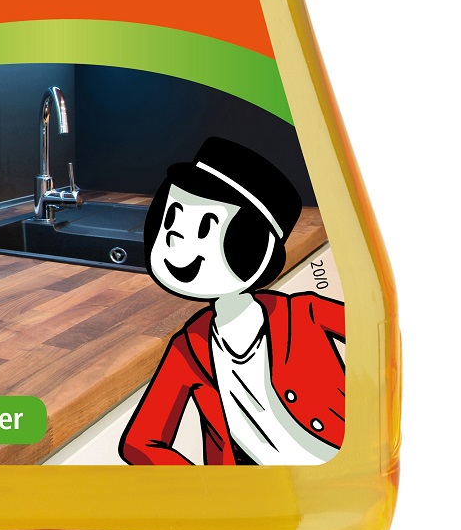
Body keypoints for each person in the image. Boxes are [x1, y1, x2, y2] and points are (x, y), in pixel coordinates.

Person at [120, 136, 345, 466]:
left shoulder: (305, 313)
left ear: (259, 249)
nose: (176, 240)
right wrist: (211, 488)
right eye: (172, 220)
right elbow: (140, 441)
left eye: (205, 229)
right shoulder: (189, 348)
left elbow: (385, 340)